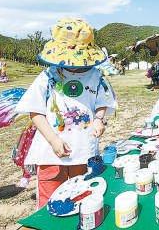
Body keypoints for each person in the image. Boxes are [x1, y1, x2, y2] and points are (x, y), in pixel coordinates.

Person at [15, 18, 110, 208]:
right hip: (51, 151)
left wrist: (99, 119)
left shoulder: (96, 76)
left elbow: (103, 102)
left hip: (84, 149)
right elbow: (35, 111)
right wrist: (53, 140)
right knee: (50, 202)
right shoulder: (48, 76)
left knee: (81, 197)